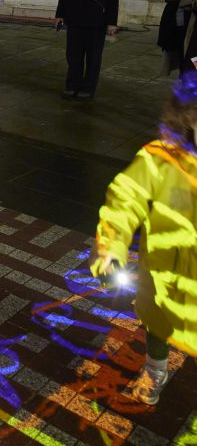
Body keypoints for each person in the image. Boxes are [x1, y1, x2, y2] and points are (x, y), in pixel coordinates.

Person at [89, 71, 197, 405]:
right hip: (165, 271)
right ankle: (155, 369)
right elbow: (124, 200)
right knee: (158, 323)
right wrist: (110, 248)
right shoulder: (159, 158)